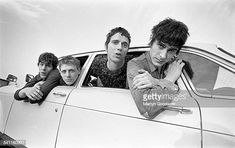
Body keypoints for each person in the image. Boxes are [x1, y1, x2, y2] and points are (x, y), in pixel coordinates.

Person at [127, 18, 189, 119]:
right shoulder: (135, 65)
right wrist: (169, 79)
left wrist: (155, 82)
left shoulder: (172, 64)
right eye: (161, 46)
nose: (163, 56)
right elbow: (148, 108)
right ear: (151, 42)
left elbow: (182, 94)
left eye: (171, 50)